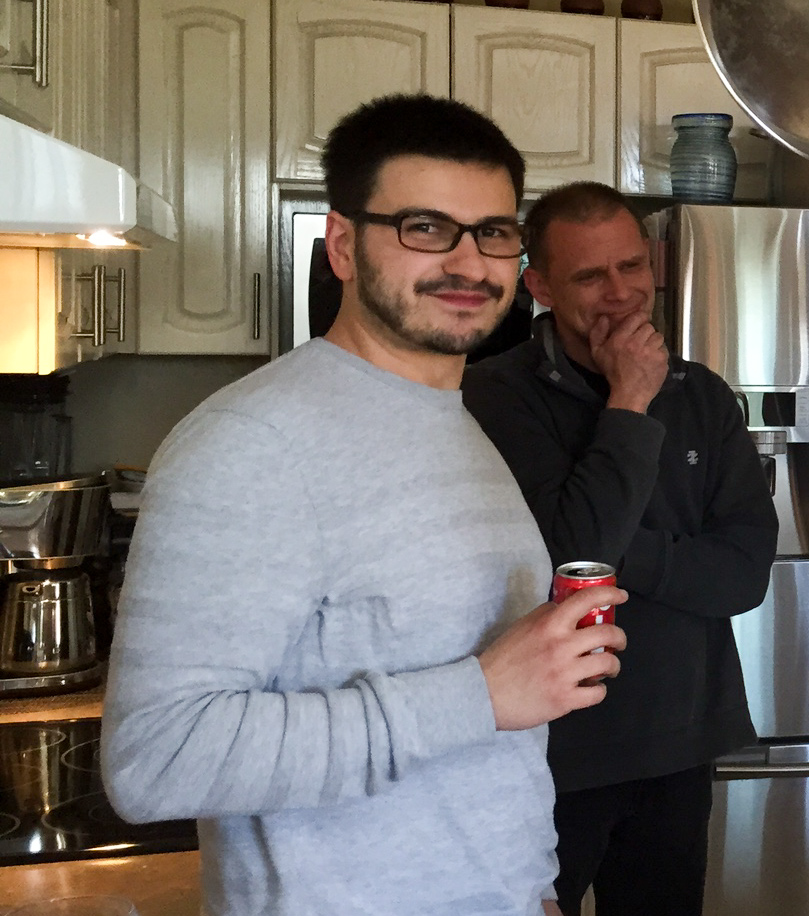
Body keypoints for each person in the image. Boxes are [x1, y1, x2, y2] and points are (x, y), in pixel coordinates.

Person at [101, 95, 628, 916]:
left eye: (492, 232)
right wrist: (478, 695)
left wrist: (531, 889)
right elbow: (157, 760)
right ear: (343, 245)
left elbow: (489, 754)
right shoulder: (253, 444)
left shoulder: (453, 422)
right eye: (425, 228)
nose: (468, 263)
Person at [462, 182, 778, 916]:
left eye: (631, 266)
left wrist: (614, 553)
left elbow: (742, 577)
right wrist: (629, 399)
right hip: (544, 751)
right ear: (539, 287)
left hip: (679, 740)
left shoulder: (702, 396)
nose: (620, 292)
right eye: (589, 276)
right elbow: (578, 550)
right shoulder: (492, 398)